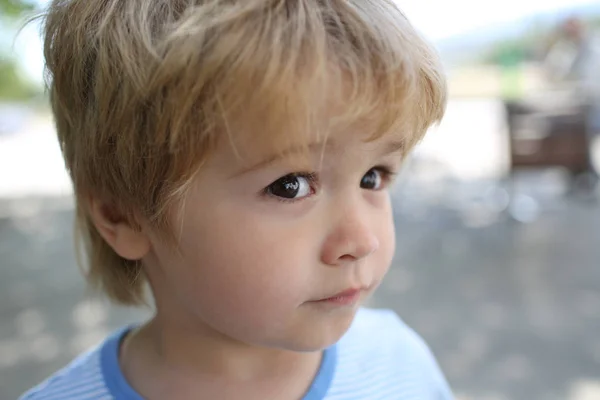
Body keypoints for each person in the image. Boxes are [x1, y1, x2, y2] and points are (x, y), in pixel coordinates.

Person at [21, 0, 451, 399]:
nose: (362, 241)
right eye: (291, 185)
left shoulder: (401, 362)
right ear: (124, 216)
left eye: (373, 177)